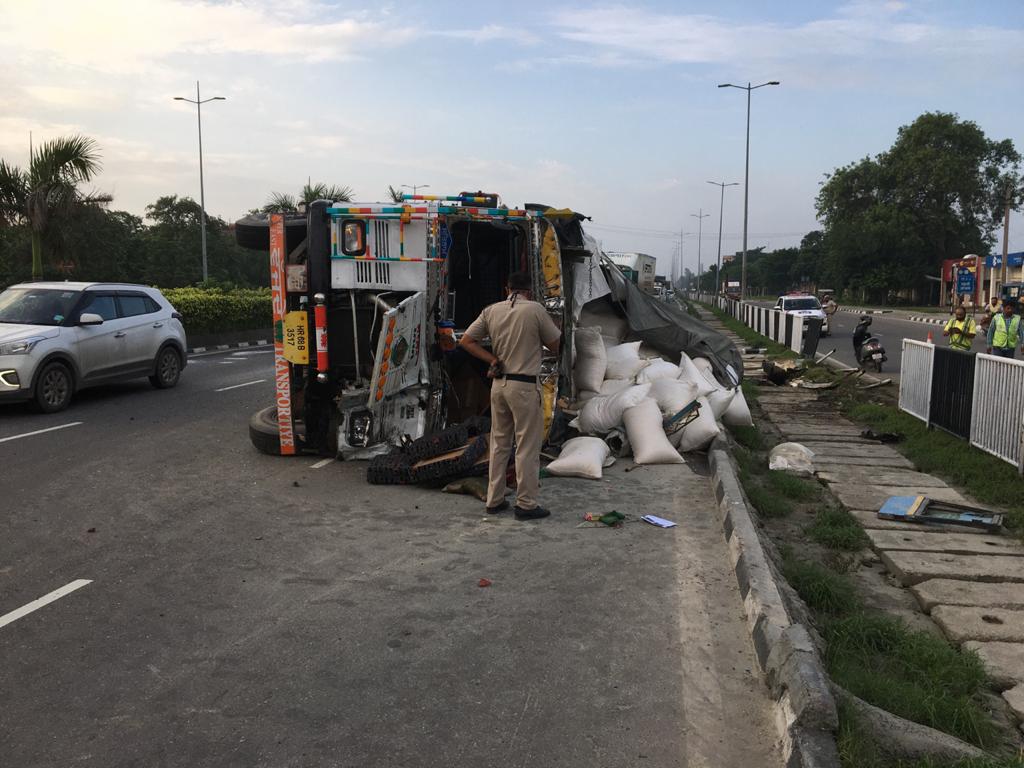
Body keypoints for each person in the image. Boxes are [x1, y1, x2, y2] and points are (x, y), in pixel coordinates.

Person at [460, 272, 561, 520]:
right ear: (530, 291)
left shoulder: (491, 311)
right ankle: (526, 504)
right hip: (524, 387)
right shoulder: (535, 310)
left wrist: (493, 359)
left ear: (507, 288)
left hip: (499, 386)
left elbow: (466, 340)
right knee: (527, 446)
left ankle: (494, 500)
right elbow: (558, 345)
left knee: (499, 443)